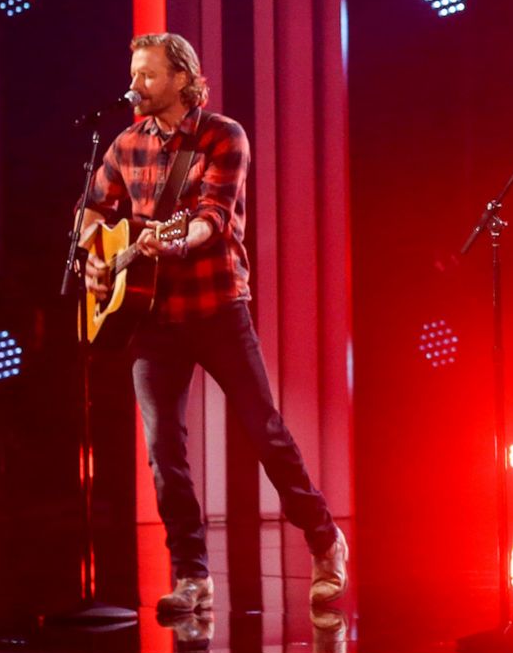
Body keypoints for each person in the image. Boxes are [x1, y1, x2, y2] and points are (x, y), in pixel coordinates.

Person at [81, 33, 347, 615]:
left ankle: (326, 541)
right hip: (151, 317)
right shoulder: (125, 143)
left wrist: (171, 243)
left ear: (182, 77)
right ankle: (192, 577)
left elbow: (212, 220)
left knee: (264, 432)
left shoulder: (222, 136)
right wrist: (98, 257)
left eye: (148, 75)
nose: (136, 86)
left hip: (216, 305)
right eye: (135, 74)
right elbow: (93, 211)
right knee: (163, 449)